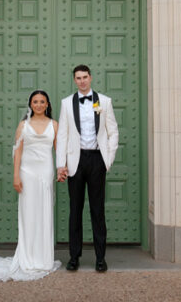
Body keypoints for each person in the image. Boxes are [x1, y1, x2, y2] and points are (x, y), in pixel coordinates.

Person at [0, 90, 61, 281]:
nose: (38, 104)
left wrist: (62, 169)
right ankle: (27, 258)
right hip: (27, 173)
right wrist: (15, 176)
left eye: (42, 101)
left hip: (45, 172)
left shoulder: (54, 125)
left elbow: (58, 150)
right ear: (30, 104)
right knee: (28, 213)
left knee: (44, 213)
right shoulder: (23, 125)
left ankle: (43, 259)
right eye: (35, 101)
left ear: (47, 104)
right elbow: (17, 152)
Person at [56, 64, 119, 273]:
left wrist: (107, 160)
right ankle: (74, 257)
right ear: (74, 80)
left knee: (97, 210)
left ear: (91, 78)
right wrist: (60, 165)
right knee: (75, 210)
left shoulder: (104, 102)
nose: (82, 81)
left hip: (96, 161)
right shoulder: (66, 103)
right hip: (75, 161)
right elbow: (63, 135)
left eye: (85, 77)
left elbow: (113, 132)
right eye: (78, 78)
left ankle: (100, 258)